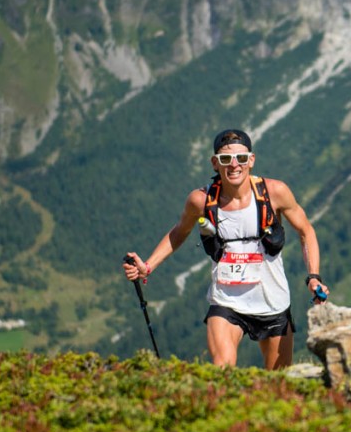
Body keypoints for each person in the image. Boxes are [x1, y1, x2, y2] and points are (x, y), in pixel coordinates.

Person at [123, 129, 328, 369]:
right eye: (225, 159)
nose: (234, 165)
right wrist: (148, 267)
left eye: (241, 158)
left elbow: (306, 231)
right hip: (226, 302)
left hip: (273, 302)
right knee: (223, 368)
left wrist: (314, 277)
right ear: (214, 163)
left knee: (278, 383)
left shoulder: (275, 193)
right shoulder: (201, 201)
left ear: (251, 160)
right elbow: (179, 232)